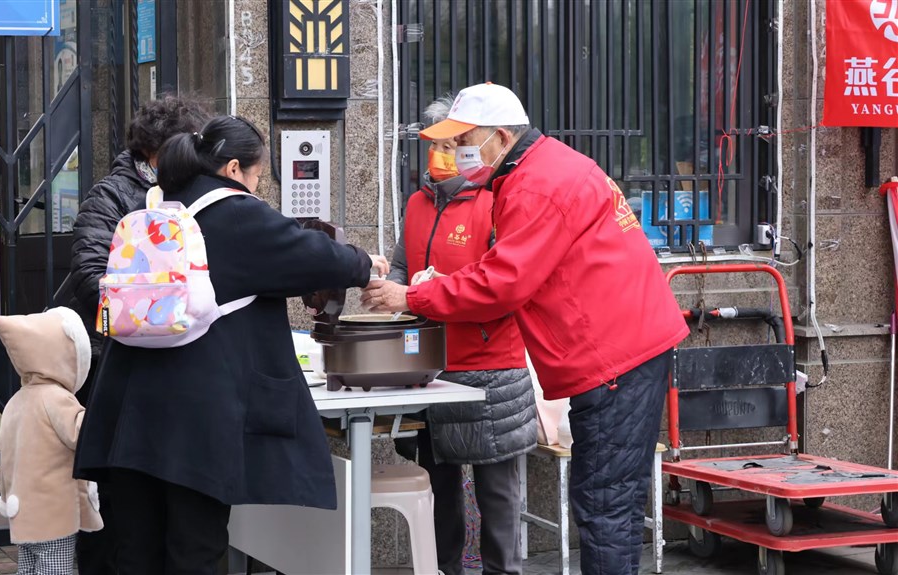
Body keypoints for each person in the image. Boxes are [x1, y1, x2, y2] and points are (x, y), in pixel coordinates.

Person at [361, 83, 689, 575]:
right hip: (620, 348)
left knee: (604, 505)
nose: (455, 153)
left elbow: (502, 283)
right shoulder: (540, 170)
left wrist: (412, 296)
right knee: (605, 501)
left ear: (499, 137)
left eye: (463, 140)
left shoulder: (535, 185)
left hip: (615, 356)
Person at [73, 114, 390, 574]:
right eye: (259, 176)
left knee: (136, 551)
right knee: (194, 550)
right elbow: (313, 254)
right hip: (193, 423)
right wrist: (365, 263)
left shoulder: (158, 208)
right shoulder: (236, 212)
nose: (258, 187)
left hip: (126, 414)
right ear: (235, 168)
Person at [387, 95, 536, 575]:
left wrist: (426, 292)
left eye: (456, 143)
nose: (444, 154)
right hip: (429, 366)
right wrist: (391, 290)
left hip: (489, 369)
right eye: (436, 144)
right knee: (437, 487)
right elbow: (401, 268)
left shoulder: (497, 201)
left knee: (498, 497)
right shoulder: (416, 203)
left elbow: (503, 287)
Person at [67, 95, 207, 575]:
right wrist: (147, 318)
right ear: (152, 151)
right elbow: (89, 272)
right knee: (123, 505)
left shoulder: (196, 193)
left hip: (185, 371)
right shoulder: (112, 195)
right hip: (121, 364)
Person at [0, 307, 103, 575]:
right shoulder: (57, 399)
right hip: (54, 514)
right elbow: (82, 434)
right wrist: (100, 414)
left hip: (26, 514)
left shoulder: (16, 401)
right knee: (55, 568)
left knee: (28, 569)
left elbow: (7, 458)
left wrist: (7, 497)